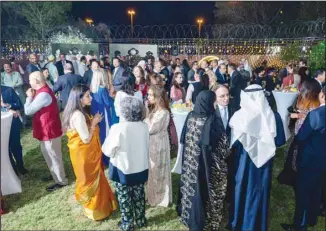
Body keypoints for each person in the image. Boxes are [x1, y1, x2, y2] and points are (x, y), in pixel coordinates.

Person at [228, 84, 286, 231]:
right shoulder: (273, 116)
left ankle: (238, 222)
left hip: (242, 164)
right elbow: (280, 141)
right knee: (259, 192)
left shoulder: (238, 117)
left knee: (241, 190)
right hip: (264, 166)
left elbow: (231, 144)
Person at [177, 90, 230, 230]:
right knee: (208, 192)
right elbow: (222, 148)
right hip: (208, 166)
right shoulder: (212, 120)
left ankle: (189, 218)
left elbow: (184, 140)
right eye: (214, 101)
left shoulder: (190, 116)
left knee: (192, 191)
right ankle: (209, 222)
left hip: (190, 165)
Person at [62, 84, 117, 221]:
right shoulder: (78, 115)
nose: (90, 97)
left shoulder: (79, 112)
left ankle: (101, 206)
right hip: (85, 156)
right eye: (87, 95)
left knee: (93, 180)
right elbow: (86, 139)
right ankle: (96, 210)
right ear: (79, 98)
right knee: (91, 181)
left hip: (84, 154)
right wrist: (94, 124)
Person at [281, 86, 325, 231]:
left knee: (303, 192)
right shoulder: (315, 114)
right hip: (322, 159)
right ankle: (312, 218)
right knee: (317, 188)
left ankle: (300, 224)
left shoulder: (316, 114)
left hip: (309, 159)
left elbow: (301, 137)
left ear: (322, 95)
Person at [102, 97, 149, 231]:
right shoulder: (144, 125)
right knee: (139, 195)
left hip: (123, 169)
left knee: (124, 197)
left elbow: (107, 150)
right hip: (141, 167)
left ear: (124, 112)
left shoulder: (118, 128)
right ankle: (140, 220)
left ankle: (127, 223)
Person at [24, 71, 68, 191]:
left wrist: (28, 98)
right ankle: (55, 174)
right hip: (46, 128)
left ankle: (61, 181)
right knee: (49, 154)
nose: (29, 82)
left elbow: (28, 111)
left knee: (53, 155)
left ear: (37, 81)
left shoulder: (43, 95)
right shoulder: (42, 91)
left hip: (49, 130)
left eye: (30, 80)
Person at [278, 79, 321, 187]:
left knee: (297, 159)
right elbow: (301, 110)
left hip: (305, 140)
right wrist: (297, 115)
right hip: (299, 136)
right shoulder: (309, 102)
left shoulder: (315, 108)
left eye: (303, 90)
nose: (300, 92)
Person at [144, 86, 171, 207]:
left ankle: (158, 197)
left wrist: (145, 111)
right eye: (148, 95)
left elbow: (151, 129)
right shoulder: (155, 110)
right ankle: (152, 194)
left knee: (157, 170)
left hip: (158, 144)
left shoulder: (163, 112)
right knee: (152, 170)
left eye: (150, 95)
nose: (148, 97)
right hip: (152, 143)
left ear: (157, 97)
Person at [90, 69, 117, 166]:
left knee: (98, 135)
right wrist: (113, 97)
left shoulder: (92, 89)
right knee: (106, 135)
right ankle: (106, 158)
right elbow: (108, 103)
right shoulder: (102, 89)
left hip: (95, 114)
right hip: (103, 114)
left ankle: (100, 156)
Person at [1, 85, 28, 175]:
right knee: (5, 148)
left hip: (12, 123)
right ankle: (13, 170)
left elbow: (19, 104)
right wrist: (7, 110)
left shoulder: (8, 90)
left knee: (16, 146)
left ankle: (20, 166)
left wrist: (8, 106)